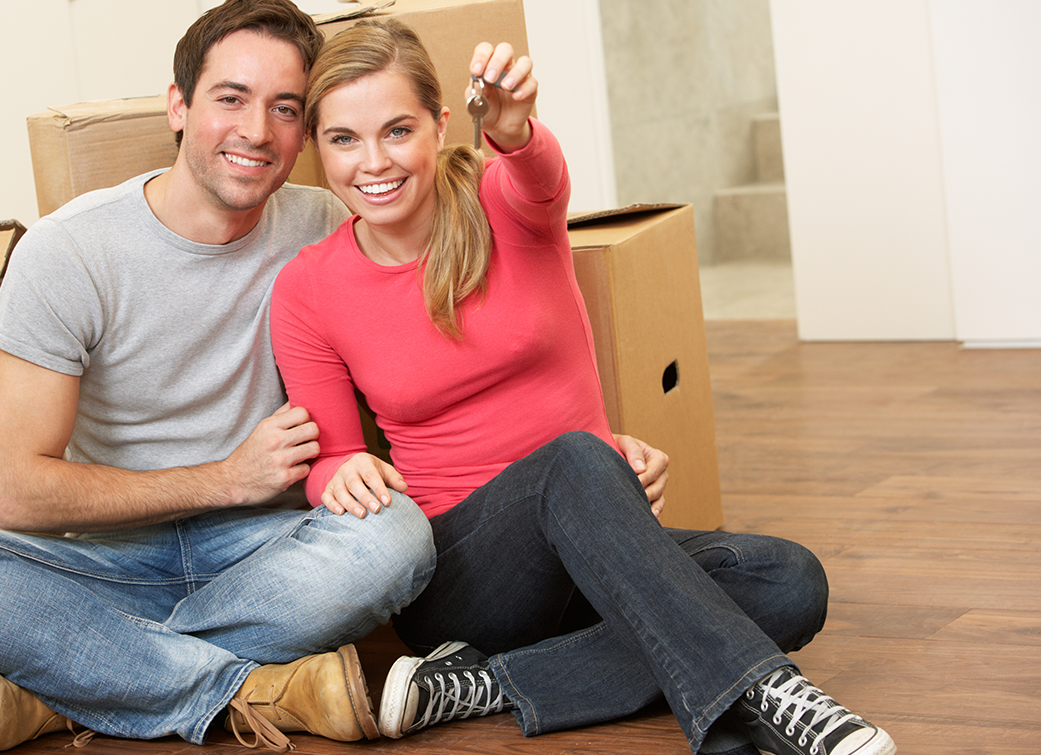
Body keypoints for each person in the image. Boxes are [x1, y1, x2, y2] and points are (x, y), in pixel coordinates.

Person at [270, 18, 897, 755]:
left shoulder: (504, 203)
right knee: (574, 459)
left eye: (397, 130)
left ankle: (489, 683)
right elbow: (330, 458)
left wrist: (515, 127)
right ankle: (773, 696)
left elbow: (540, 174)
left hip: (596, 546)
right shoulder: (307, 289)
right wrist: (339, 473)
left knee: (790, 580)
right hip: (466, 579)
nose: (373, 162)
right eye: (343, 139)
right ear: (318, 147)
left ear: (440, 126)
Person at [0, 2, 436, 753]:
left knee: (398, 535)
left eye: (284, 109)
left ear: (305, 130)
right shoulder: (70, 252)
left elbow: (451, 329)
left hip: (274, 553)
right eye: (230, 98)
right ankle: (252, 690)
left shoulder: (328, 222)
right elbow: (15, 489)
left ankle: (72, 681)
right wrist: (226, 478)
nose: (256, 131)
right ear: (178, 105)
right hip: (105, 559)